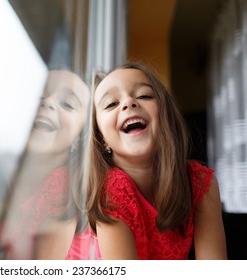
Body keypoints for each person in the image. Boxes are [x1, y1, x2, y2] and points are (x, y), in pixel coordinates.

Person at [86, 61, 227, 259]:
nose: (128, 103)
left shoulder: (200, 182)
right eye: (111, 104)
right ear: (102, 140)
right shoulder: (112, 192)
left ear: (167, 117)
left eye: (144, 95)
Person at [0, 68, 98, 259]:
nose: (48, 102)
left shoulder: (63, 192)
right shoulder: (1, 176)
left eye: (67, 103)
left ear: (80, 137)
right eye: (38, 95)